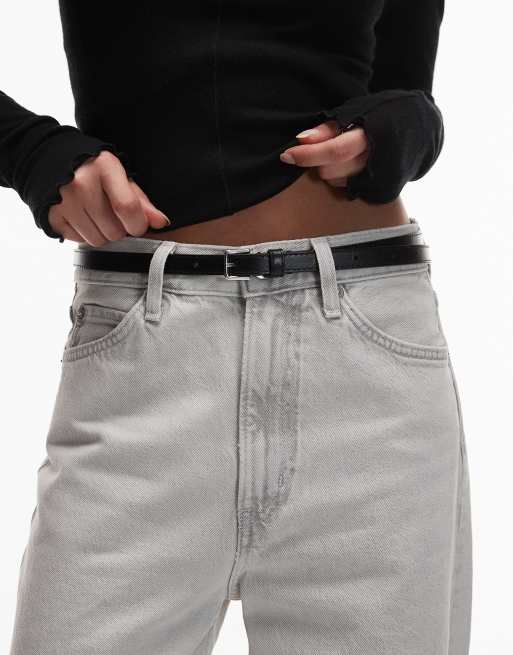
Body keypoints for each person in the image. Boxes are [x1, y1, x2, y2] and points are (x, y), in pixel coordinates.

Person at [2, 1, 472, 653]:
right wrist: (30, 150)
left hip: (366, 366)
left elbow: (403, 91)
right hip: (148, 362)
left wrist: (401, 129)